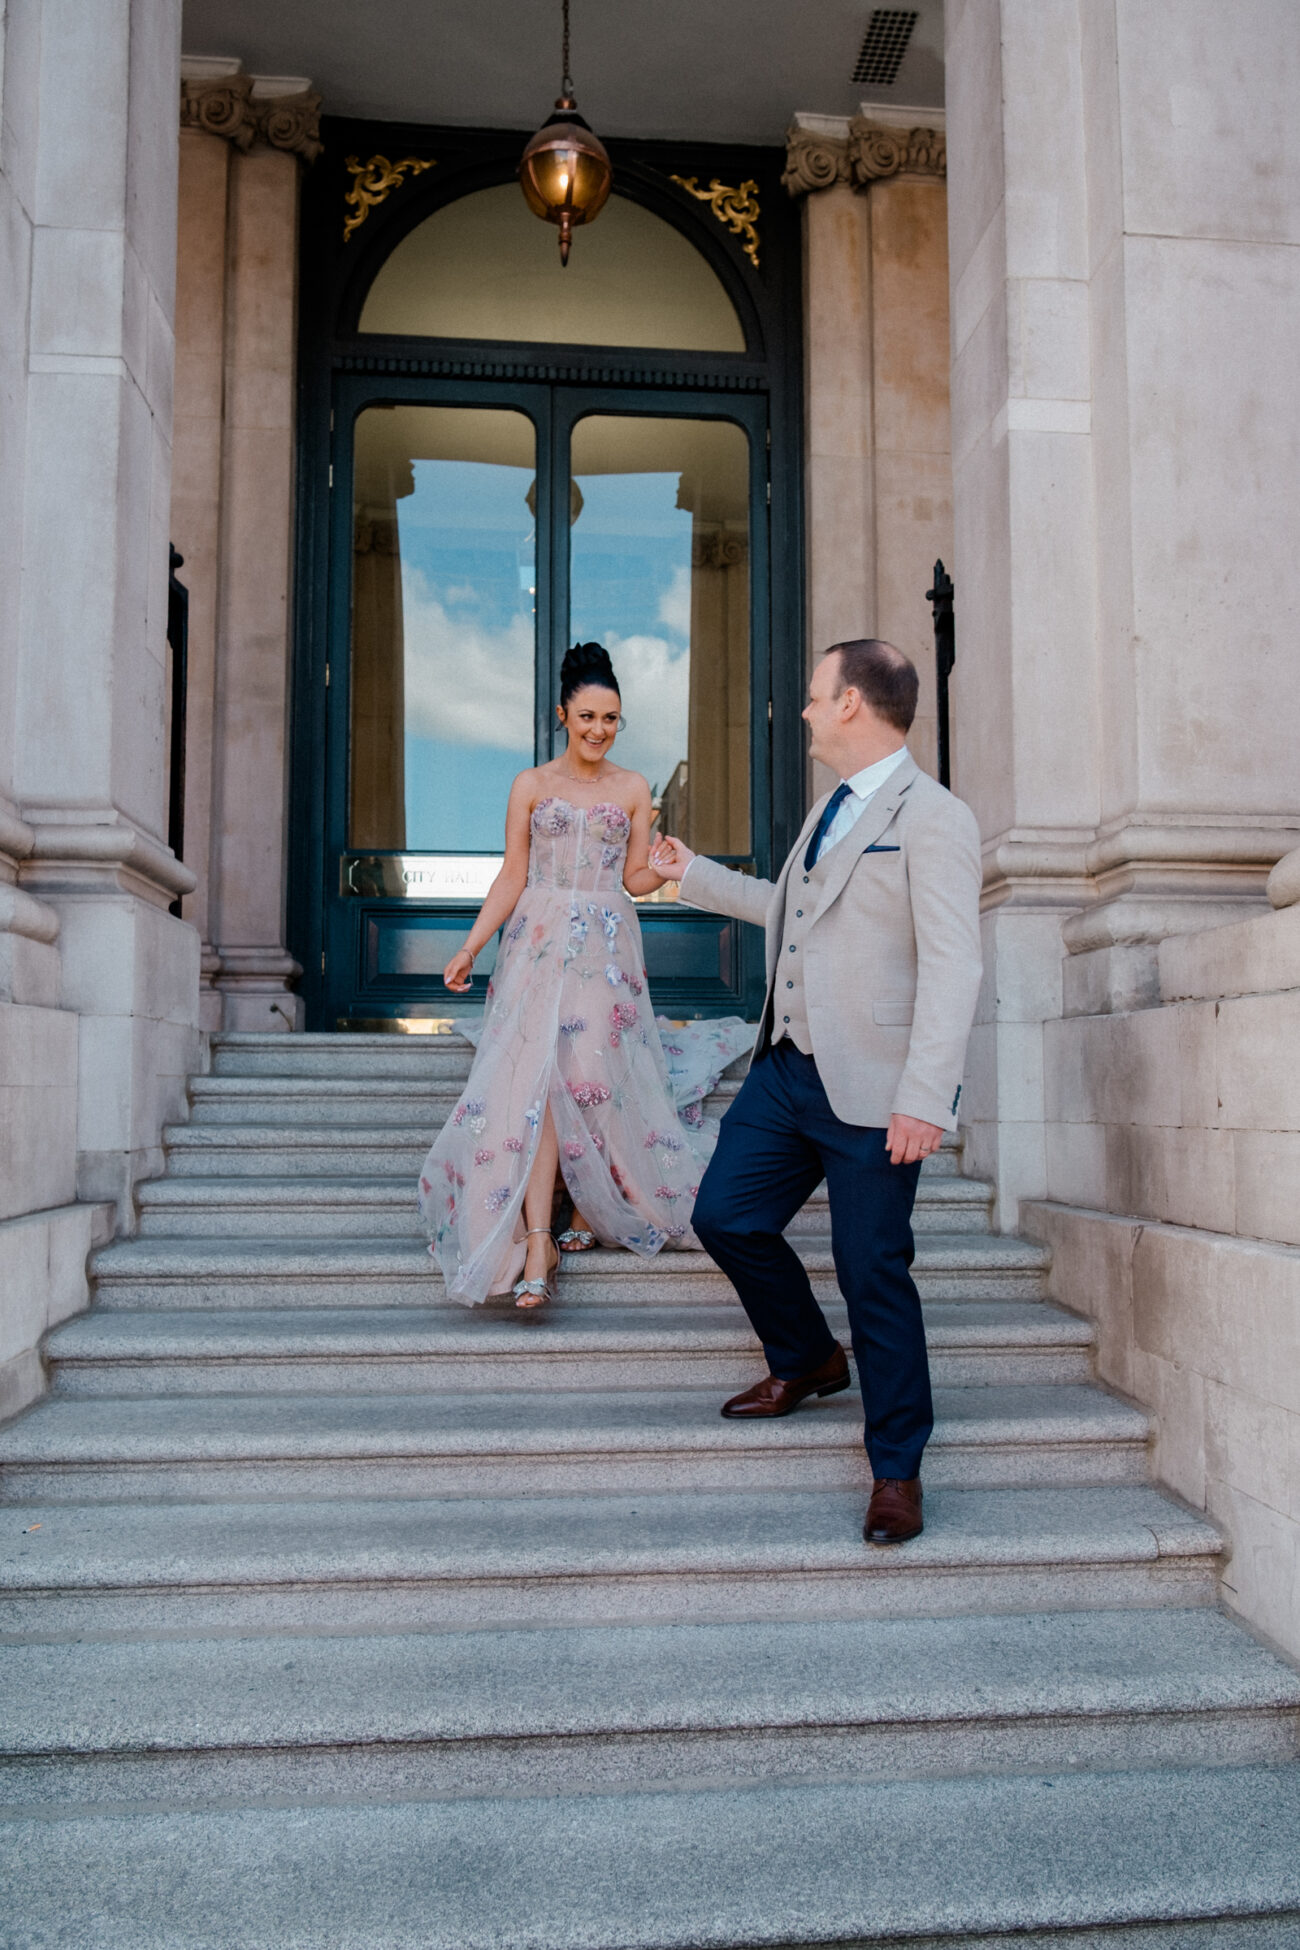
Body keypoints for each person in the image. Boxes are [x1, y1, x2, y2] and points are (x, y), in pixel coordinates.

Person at [650, 639, 983, 1544]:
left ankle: (898, 1470)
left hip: (878, 1089)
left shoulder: (936, 817)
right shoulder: (829, 809)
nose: (801, 711)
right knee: (725, 1216)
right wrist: (689, 874)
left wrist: (927, 1095)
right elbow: (790, 910)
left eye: (811, 696)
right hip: (788, 1067)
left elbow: (954, 967)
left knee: (874, 1272)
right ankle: (807, 1359)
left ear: (851, 706)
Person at [419, 642, 751, 1311]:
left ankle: (587, 1206)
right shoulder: (531, 786)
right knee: (538, 1080)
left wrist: (663, 864)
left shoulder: (632, 789)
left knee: (590, 1077)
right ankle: (539, 1240)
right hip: (536, 942)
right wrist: (470, 947)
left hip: (605, 944)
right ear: (564, 714)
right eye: (589, 716)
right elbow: (513, 872)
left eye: (612, 719)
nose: (600, 729)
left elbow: (633, 878)